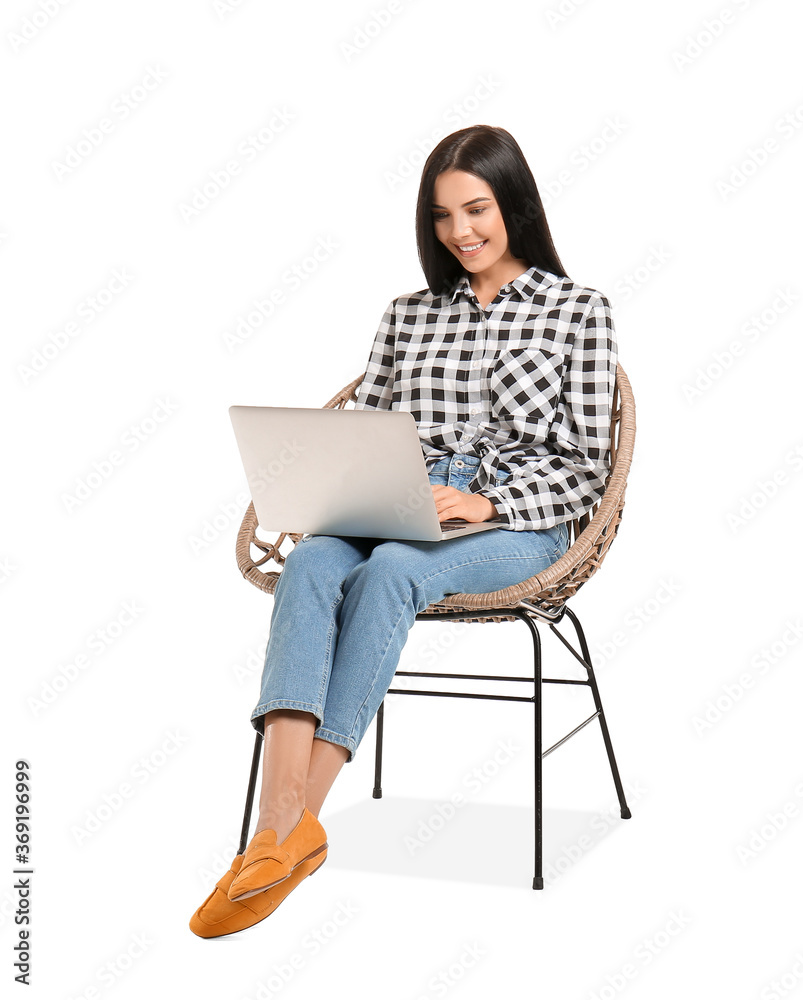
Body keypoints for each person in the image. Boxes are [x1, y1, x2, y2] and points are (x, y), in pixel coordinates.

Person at [190, 124, 617, 937]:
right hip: (397, 503)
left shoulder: (578, 311)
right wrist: (344, 483)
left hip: (516, 524)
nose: (460, 231)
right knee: (312, 564)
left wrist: (487, 504)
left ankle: (288, 833)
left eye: (476, 209)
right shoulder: (407, 315)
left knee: (391, 570)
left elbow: (588, 467)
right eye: (441, 215)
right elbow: (368, 425)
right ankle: (276, 836)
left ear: (515, 205)